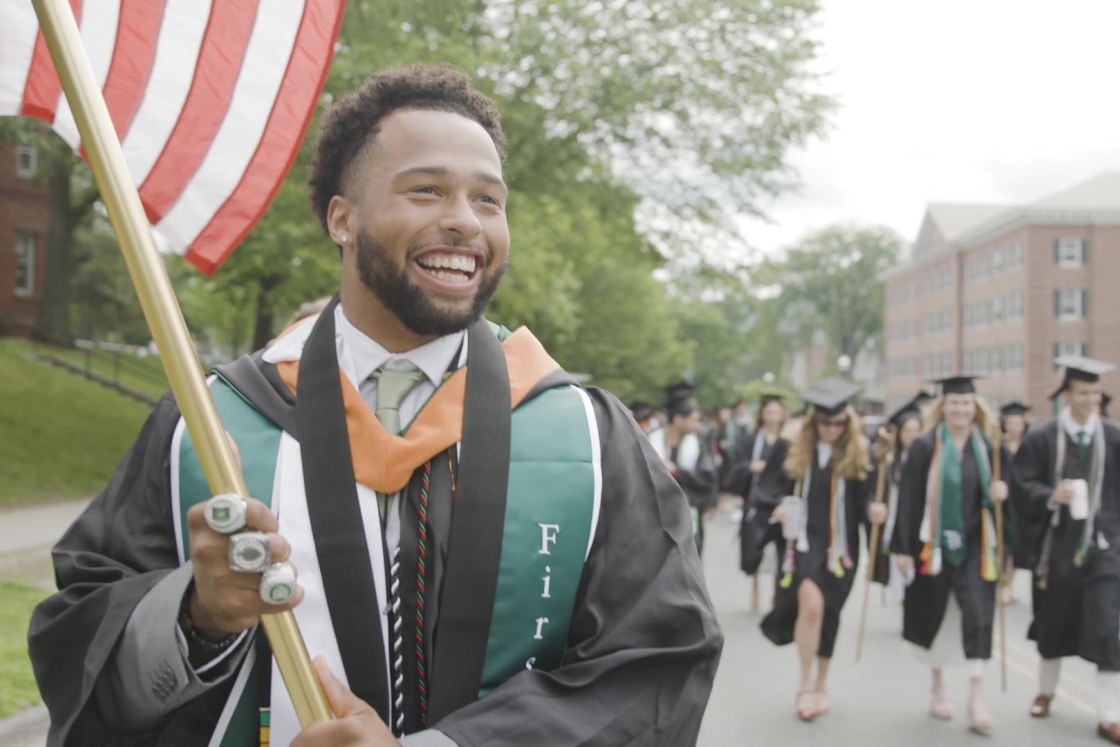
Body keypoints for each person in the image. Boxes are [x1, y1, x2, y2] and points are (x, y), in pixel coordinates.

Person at [27, 64, 723, 747]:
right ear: (342, 219)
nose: (464, 224)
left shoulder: (586, 436)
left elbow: (657, 663)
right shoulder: (208, 425)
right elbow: (80, 654)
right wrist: (196, 615)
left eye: (488, 200)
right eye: (426, 191)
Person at [891, 376, 1011, 733]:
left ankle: (976, 696)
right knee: (937, 614)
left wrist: (1003, 492)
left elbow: (1007, 497)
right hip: (934, 545)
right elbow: (910, 498)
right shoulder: (926, 446)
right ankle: (938, 687)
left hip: (976, 544)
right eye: (954, 403)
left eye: (967, 403)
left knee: (977, 613)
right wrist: (902, 548)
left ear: (976, 407)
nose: (961, 409)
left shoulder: (990, 447)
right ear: (944, 407)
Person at [1013, 356, 1120, 743]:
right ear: (1067, 394)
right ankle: (1045, 691)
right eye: (1083, 392)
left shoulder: (1113, 436)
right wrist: (1049, 494)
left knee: (1110, 627)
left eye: (1095, 392)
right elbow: (1021, 484)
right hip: (1056, 548)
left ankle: (1110, 713)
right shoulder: (1043, 437)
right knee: (1053, 621)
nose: (1090, 399)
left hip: (1104, 547)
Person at [758, 378, 879, 721]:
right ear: (813, 421)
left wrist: (875, 512)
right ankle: (806, 682)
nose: (831, 429)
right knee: (811, 606)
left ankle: (822, 683)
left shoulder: (860, 454)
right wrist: (778, 507)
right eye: (825, 422)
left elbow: (867, 502)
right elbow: (766, 491)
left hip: (841, 550)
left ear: (848, 422)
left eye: (839, 423)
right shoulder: (790, 449)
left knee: (830, 614)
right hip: (802, 545)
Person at [732, 393, 789, 611]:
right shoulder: (750, 441)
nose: (773, 416)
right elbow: (736, 468)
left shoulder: (790, 442)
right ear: (762, 415)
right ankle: (755, 590)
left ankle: (776, 594)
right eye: (769, 412)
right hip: (757, 502)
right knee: (753, 551)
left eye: (777, 412)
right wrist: (750, 467)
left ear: (783, 415)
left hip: (781, 503)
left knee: (782, 553)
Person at [648, 383, 720, 555]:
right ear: (678, 419)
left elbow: (707, 476)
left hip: (689, 513)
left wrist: (677, 472)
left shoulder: (699, 443)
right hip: (655, 515)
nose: (697, 425)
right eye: (693, 420)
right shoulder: (650, 440)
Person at [869, 395, 926, 601]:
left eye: (917, 430)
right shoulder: (889, 461)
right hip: (894, 515)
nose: (913, 435)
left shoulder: (928, 459)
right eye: (908, 430)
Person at [999, 401, 1030, 604]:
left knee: (1019, 548)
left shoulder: (1030, 445)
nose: (1014, 427)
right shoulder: (998, 447)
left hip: (1023, 504)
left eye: (1018, 423)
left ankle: (1010, 585)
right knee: (1004, 548)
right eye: (1010, 422)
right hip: (1004, 505)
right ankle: (1002, 586)